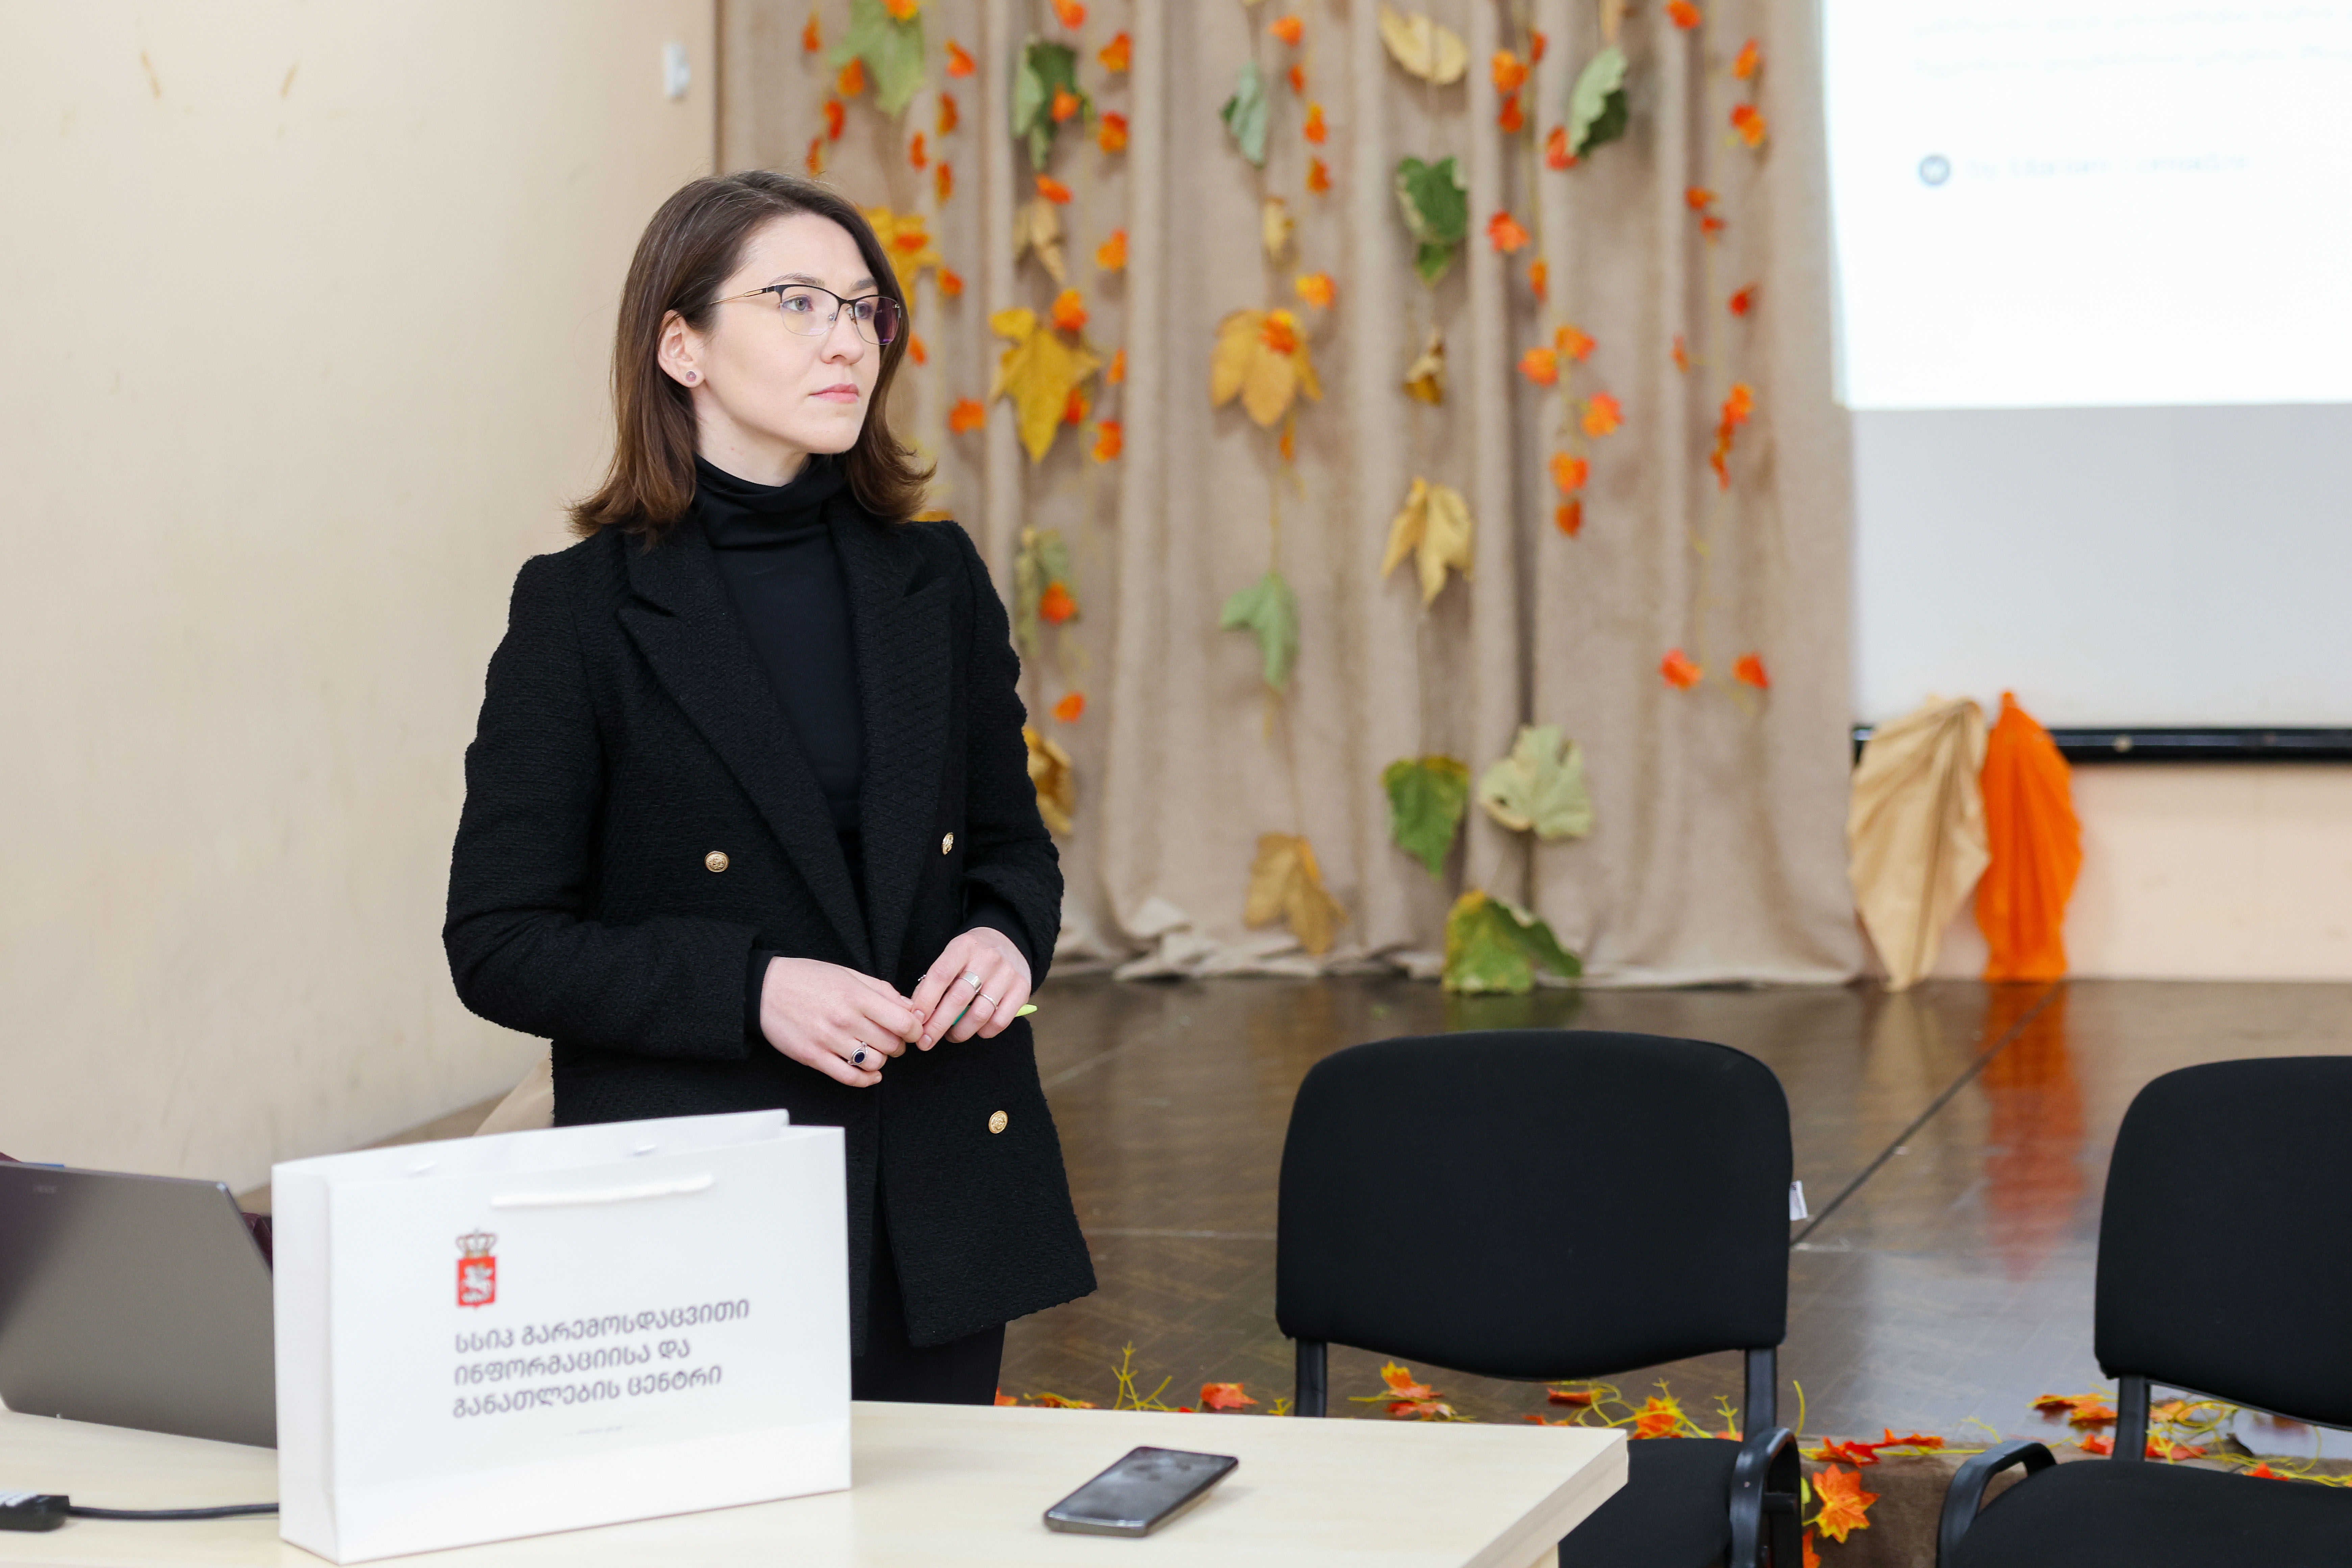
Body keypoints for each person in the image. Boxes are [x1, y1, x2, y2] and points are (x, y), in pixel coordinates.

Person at [443, 170, 1093, 1403]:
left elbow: (1012, 849)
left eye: (865, 308)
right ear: (679, 346)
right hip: (700, 1198)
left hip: (935, 1193)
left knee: (939, 1503)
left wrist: (1006, 939)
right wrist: (751, 988)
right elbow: (501, 941)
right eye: (797, 302)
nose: (847, 339)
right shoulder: (578, 611)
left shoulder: (936, 580)